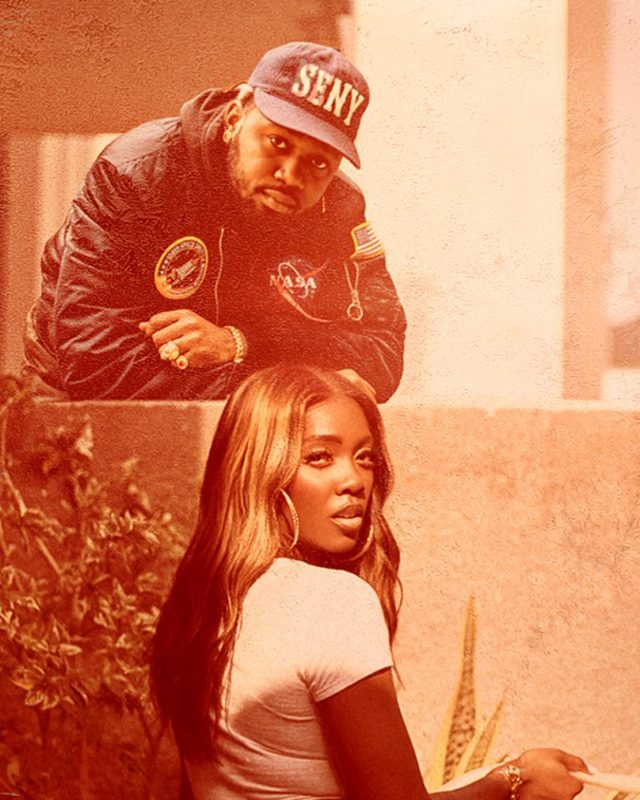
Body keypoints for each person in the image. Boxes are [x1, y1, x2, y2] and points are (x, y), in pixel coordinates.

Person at [150, 364, 588, 800]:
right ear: (261, 471)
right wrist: (515, 778)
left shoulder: (204, 603)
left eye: (365, 457)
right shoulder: (332, 601)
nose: (354, 480)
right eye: (319, 457)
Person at [22, 42, 406, 402]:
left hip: (256, 412)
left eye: (319, 162)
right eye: (277, 143)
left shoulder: (338, 208)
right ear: (235, 117)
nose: (291, 175)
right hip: (76, 405)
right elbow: (96, 363)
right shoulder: (136, 175)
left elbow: (382, 354)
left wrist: (242, 343)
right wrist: (299, 385)